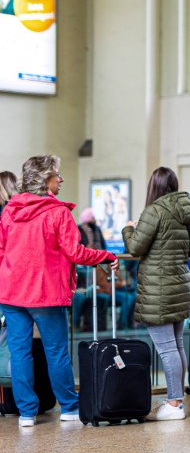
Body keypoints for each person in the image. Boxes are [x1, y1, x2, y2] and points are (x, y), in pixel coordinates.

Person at [0, 155, 119, 427]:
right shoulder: (58, 213)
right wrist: (105, 255)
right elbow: (74, 252)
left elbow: (1, 251)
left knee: (19, 354)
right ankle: (68, 407)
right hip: (45, 294)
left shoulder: (10, 211)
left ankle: (27, 413)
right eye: (57, 174)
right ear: (45, 180)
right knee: (56, 352)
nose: (61, 179)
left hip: (11, 293)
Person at [122, 167, 190, 420]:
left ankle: (174, 403)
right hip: (180, 284)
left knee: (167, 348)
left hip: (158, 288)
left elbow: (135, 248)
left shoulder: (154, 211)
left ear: (153, 187)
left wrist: (128, 229)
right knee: (177, 345)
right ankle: (177, 400)